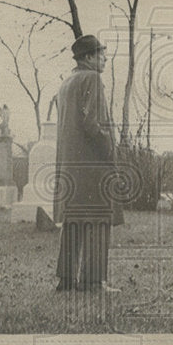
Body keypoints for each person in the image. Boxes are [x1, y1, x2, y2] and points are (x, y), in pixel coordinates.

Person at [54, 35, 121, 293]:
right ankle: (94, 282)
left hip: (70, 166)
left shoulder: (66, 82)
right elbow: (93, 125)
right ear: (89, 58)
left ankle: (67, 280)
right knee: (97, 220)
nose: (105, 59)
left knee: (73, 222)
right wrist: (110, 149)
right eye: (102, 54)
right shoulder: (92, 78)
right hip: (91, 164)